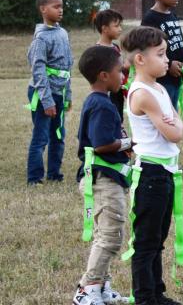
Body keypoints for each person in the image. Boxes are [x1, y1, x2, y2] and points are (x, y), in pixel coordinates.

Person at [122, 26, 183, 305]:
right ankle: (145, 297)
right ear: (140, 60)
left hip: (166, 173)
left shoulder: (159, 88)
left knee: (159, 236)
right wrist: (173, 123)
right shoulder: (142, 93)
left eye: (166, 53)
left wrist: (174, 123)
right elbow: (174, 132)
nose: (167, 60)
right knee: (146, 241)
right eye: (160, 54)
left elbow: (178, 123)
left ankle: (156, 292)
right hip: (151, 174)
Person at [73, 45, 131, 305]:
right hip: (104, 180)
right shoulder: (102, 105)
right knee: (110, 235)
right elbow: (101, 144)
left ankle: (102, 286)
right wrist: (131, 143)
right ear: (103, 75)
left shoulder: (98, 100)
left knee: (106, 234)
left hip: (102, 177)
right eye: (120, 71)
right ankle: (87, 288)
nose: (123, 76)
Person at [26, 0, 73, 185]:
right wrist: (47, 100)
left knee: (58, 135)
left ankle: (54, 174)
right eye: (56, 7)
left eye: (61, 6)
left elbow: (67, 65)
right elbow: (38, 70)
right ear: (43, 9)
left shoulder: (62, 32)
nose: (60, 10)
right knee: (41, 137)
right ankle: (34, 177)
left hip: (59, 93)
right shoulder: (41, 38)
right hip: (44, 93)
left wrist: (67, 94)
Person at [141, 0, 183, 110]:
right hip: (162, 79)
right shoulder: (150, 19)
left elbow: (179, 41)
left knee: (173, 113)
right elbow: (148, 50)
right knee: (165, 116)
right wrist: (169, 64)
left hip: (176, 78)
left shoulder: (173, 15)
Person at [95, 8, 128, 120]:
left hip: (117, 91)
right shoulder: (97, 50)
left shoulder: (115, 47)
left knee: (118, 117)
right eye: (116, 26)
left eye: (120, 25)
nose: (120, 29)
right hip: (106, 93)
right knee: (109, 117)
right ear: (104, 28)